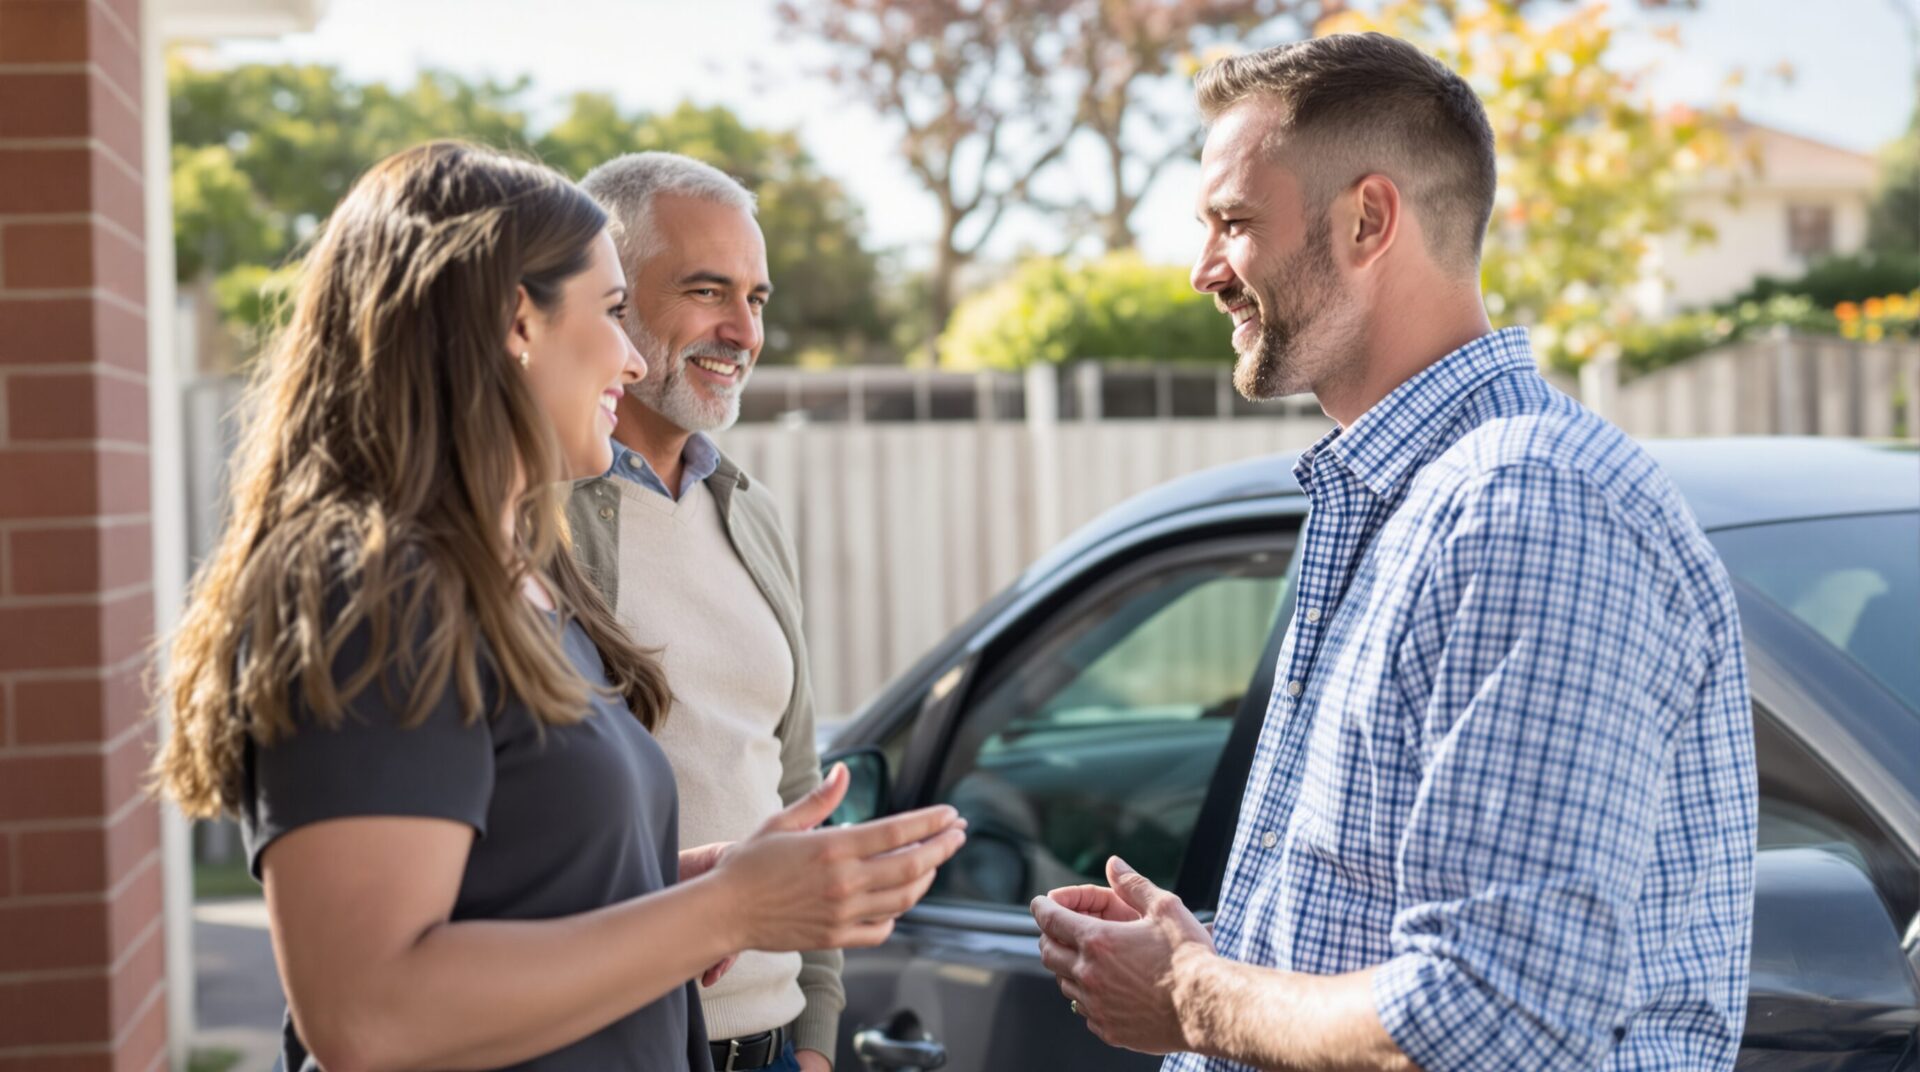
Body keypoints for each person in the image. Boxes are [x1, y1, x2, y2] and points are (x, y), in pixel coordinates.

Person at [152, 141, 965, 1072]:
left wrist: (703, 884)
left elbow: (526, 874)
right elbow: (366, 1015)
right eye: (614, 311)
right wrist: (725, 909)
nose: (627, 356)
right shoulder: (378, 591)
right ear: (516, 324)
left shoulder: (520, 580)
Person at [1030, 33, 1756, 1072]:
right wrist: (1207, 952)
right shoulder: (1410, 499)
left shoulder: (1531, 508)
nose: (1203, 271)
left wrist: (1192, 993)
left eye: (1234, 223)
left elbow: (1492, 1013)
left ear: (1368, 219)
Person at [566, 152, 837, 1072]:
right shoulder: (534, 513)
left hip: (770, 1043)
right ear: (613, 296)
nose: (742, 331)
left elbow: (793, 781)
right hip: (614, 1037)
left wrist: (816, 1033)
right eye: (706, 290)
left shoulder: (749, 510)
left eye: (757, 298)